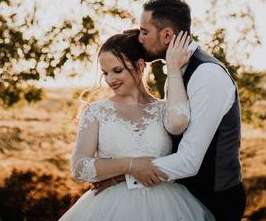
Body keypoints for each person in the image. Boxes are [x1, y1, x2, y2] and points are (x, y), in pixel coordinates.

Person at [96, 0, 247, 221]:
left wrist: (123, 175)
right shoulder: (176, 71)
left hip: (214, 200)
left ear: (167, 35)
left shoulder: (207, 75)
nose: (139, 38)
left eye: (144, 32)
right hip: (182, 195)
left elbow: (189, 161)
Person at [59, 30, 214, 220]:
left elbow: (181, 129)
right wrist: (129, 165)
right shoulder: (96, 111)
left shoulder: (164, 110)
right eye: (105, 73)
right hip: (111, 207)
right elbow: (79, 168)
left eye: (117, 70)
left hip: (166, 207)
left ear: (140, 65)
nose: (110, 80)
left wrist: (173, 69)